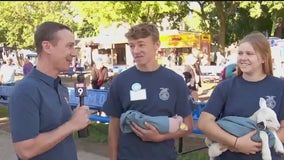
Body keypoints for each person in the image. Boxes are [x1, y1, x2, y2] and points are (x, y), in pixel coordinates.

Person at [102, 23, 194, 160]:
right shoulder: (120, 81)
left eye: (141, 44)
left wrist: (161, 137)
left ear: (156, 45)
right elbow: (114, 128)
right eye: (132, 45)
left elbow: (187, 126)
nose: (135, 50)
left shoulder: (175, 81)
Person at [8, 21, 90, 160]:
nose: (74, 53)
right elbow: (25, 150)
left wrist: (74, 118)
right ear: (47, 46)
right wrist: (71, 125)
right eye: (69, 46)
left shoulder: (60, 87)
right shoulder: (26, 90)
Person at [198, 31, 284, 160]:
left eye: (249, 54)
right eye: (240, 53)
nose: (243, 58)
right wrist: (236, 143)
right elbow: (204, 122)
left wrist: (257, 145)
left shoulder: (279, 87)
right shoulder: (225, 87)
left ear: (263, 58)